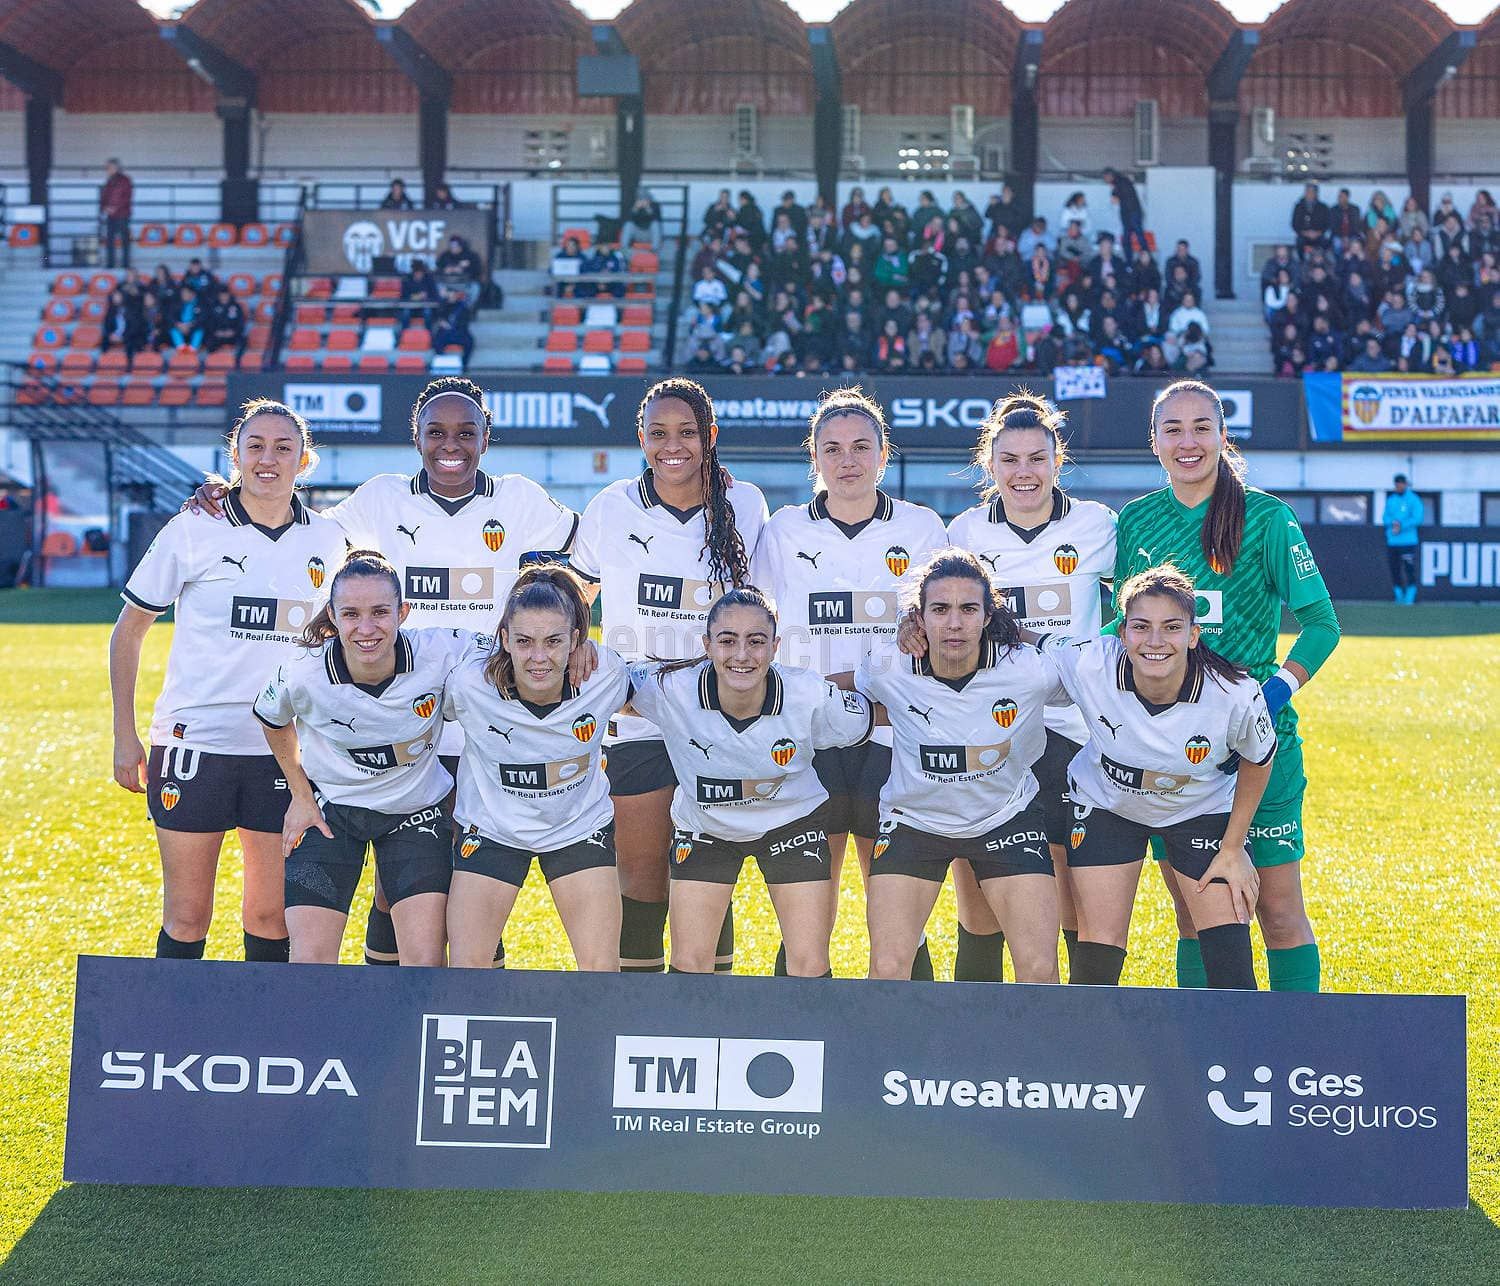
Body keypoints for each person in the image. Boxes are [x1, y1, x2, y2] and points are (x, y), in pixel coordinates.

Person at [189, 377, 581, 965]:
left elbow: (588, 556)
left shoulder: (519, 499)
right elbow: (305, 532)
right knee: (402, 883)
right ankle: (392, 1005)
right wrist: (237, 492)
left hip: (483, 724)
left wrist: (570, 631)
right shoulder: (380, 498)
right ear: (415, 437)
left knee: (461, 880)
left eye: (466, 433)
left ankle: (457, 1006)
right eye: (437, 433)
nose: (452, 445)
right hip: (404, 721)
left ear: (486, 439)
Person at [1113, 380, 1340, 993]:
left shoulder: (1266, 518)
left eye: (1201, 428)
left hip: (1254, 748)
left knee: (1278, 912)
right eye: (1173, 430)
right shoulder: (1137, 520)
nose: (1188, 442)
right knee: (1195, 916)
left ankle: (1297, 1052)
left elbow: (1322, 625)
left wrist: (1275, 693)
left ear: (1221, 435)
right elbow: (1123, 625)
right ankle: (1208, 1050)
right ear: (1154, 441)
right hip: (1168, 746)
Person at [110, 400, 345, 962]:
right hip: (197, 743)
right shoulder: (195, 527)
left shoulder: (332, 541)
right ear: (234, 454)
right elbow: (129, 631)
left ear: (304, 460)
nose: (269, 459)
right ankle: (172, 1038)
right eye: (255, 445)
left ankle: (266, 1042)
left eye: (284, 447)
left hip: (284, 753)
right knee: (188, 915)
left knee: (269, 913)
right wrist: (126, 733)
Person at [570, 378, 768, 973]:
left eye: (687, 432)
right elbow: (578, 588)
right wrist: (579, 642)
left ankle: (708, 1010)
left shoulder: (747, 505)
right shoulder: (610, 507)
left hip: (721, 717)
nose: (672, 445)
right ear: (641, 438)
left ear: (710, 437)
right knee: (642, 873)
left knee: (708, 869)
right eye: (658, 433)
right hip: (637, 719)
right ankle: (637, 1011)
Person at [752, 389, 947, 977]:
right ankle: (807, 1023)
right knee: (812, 898)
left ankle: (901, 1026)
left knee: (892, 902)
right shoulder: (783, 531)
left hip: (895, 738)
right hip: (810, 736)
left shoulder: (921, 528)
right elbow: (759, 627)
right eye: (832, 449)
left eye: (862, 447)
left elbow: (943, 629)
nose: (848, 460)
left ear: (884, 455)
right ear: (814, 457)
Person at [941, 393, 1117, 982]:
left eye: (1036, 458)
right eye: (1009, 460)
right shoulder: (963, 531)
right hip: (991, 732)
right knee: (984, 893)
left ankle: (1079, 1031)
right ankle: (981, 1037)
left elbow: (1135, 610)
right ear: (989, 464)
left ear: (1056, 459)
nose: (1024, 473)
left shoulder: (1096, 525)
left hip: (1075, 733)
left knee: (1071, 894)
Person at [1043, 565, 1273, 988]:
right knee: (1097, 953)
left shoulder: (1234, 694)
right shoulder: (1091, 661)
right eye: (1140, 627)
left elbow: (1258, 759)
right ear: (1122, 632)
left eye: (1171, 627)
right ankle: (1087, 1051)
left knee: (1232, 966)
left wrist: (1234, 846)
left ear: (1192, 634)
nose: (1154, 641)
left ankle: (1236, 1052)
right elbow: (1023, 640)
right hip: (1108, 805)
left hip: (1199, 810)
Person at [628, 588, 873, 976]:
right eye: (727, 641)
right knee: (689, 964)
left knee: (809, 965)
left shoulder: (809, 694)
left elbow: (877, 713)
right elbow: (604, 683)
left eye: (756, 642)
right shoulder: (669, 689)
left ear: (775, 647)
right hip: (706, 827)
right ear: (707, 645)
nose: (742, 655)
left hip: (792, 824)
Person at [849, 550, 1064, 983]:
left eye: (968, 609)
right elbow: (849, 691)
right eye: (940, 610)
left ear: (988, 617)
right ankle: (891, 1052)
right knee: (888, 968)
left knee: (1040, 970)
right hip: (915, 822)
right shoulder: (887, 664)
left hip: (1006, 818)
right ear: (918, 617)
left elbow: (1101, 679)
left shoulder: (1029, 670)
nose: (953, 623)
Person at [255, 551, 467, 965]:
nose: (366, 628)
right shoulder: (303, 672)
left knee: (424, 963)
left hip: (416, 812)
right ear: (332, 616)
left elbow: (523, 646)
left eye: (381, 612)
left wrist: (582, 649)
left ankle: (398, 1030)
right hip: (330, 812)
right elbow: (272, 719)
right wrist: (300, 796)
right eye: (351, 614)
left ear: (404, 612)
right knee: (309, 964)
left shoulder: (444, 650)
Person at [443, 565, 628, 970]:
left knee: (601, 970)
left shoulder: (605, 674)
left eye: (554, 641)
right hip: (491, 828)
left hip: (579, 825)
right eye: (524, 641)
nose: (539, 657)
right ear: (504, 639)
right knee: (465, 970)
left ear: (577, 639)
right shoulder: (469, 684)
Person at [1382, 474, 1423, 605]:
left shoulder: (1413, 499)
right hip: (1393, 541)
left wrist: (1402, 525)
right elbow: (1385, 517)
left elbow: (1418, 518)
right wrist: (1392, 523)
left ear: (1405, 484)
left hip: (1408, 541)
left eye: (1401, 484)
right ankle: (1398, 595)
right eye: (1397, 484)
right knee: (1394, 569)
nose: (1399, 486)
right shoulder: (1391, 499)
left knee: (1409, 568)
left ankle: (1410, 596)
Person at [1102, 168, 1145, 256]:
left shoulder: (1118, 183)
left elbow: (1115, 200)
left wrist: (1113, 193)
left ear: (1110, 176)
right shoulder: (1123, 181)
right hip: (1133, 212)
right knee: (1135, 237)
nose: (1105, 180)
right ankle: (1144, 256)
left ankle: (1134, 259)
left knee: (1131, 238)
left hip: (1130, 213)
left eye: (1105, 178)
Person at [100, 158, 132, 270]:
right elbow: (104, 197)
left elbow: (126, 197)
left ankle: (126, 264)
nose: (107, 170)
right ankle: (110, 264)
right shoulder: (109, 181)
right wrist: (105, 208)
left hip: (122, 214)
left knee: (124, 240)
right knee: (109, 240)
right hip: (111, 215)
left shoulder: (125, 180)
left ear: (116, 167)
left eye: (109, 167)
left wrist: (114, 208)